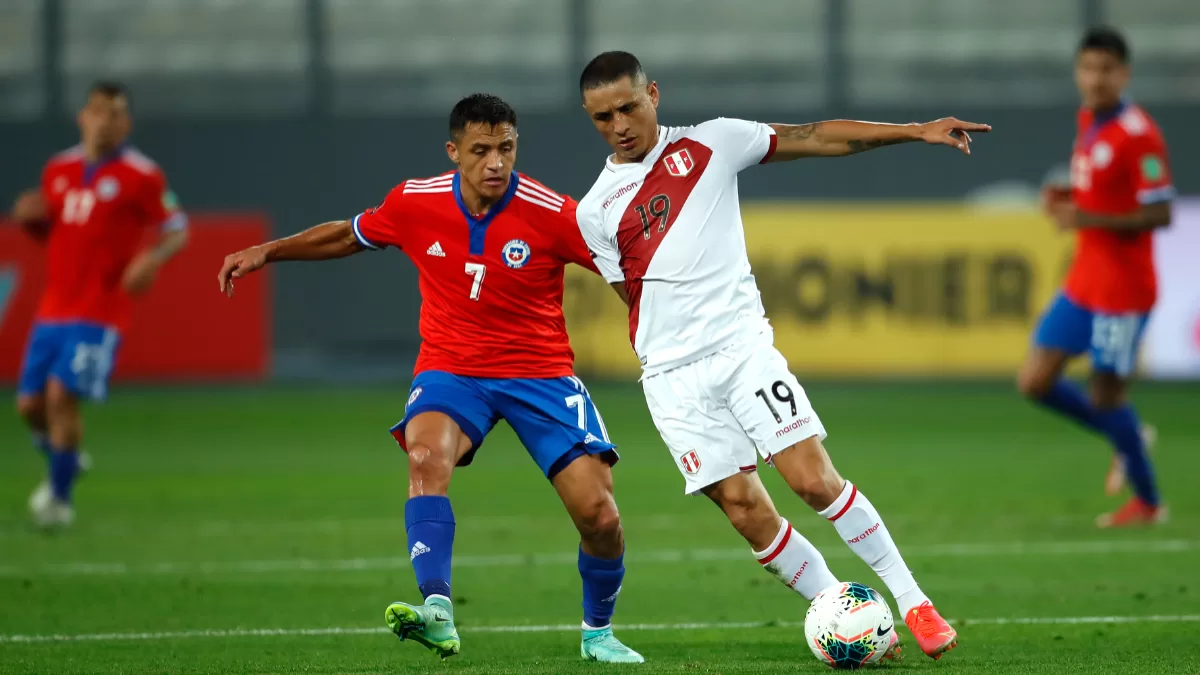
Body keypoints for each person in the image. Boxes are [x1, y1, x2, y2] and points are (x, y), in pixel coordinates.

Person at [574, 51, 991, 661]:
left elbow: (817, 137)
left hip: (742, 350)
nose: (618, 125)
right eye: (602, 117)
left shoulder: (714, 143)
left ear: (653, 94)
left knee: (812, 479)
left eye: (628, 108)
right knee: (744, 511)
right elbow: (631, 297)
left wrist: (913, 131)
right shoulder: (594, 210)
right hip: (671, 378)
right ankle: (848, 617)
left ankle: (914, 602)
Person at [217, 94, 642, 664]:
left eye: (507, 148)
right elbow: (348, 234)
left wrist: (659, 328)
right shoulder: (415, 202)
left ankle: (598, 631)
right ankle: (438, 611)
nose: (496, 162)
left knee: (599, 515)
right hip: (452, 366)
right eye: (481, 150)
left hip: (538, 373)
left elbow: (625, 269)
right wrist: (269, 251)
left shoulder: (554, 213)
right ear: (454, 152)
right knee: (424, 458)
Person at [9, 81, 189, 529]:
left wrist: (152, 258)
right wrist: (30, 222)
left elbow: (177, 228)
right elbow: (54, 229)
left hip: (100, 311)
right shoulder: (58, 169)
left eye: (114, 114)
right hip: (53, 307)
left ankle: (59, 501)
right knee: (29, 406)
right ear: (82, 117)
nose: (104, 121)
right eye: (97, 111)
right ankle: (66, 460)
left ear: (126, 123)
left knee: (60, 396)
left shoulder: (142, 174)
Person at [1018, 27, 1172, 528]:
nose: (1095, 78)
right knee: (1035, 381)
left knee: (1107, 396)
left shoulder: (1138, 133)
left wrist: (1083, 218)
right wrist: (1070, 204)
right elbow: (1104, 198)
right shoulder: (1090, 121)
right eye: (1088, 68)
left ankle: (1148, 501)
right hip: (1086, 281)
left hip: (1123, 292)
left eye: (1106, 70)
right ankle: (1126, 434)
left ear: (1123, 74)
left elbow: (1159, 213)